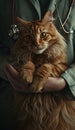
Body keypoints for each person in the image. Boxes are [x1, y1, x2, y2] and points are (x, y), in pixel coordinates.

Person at [0, 0, 75, 129]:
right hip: (14, 107)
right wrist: (5, 67)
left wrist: (65, 81)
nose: (37, 43)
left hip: (63, 106)